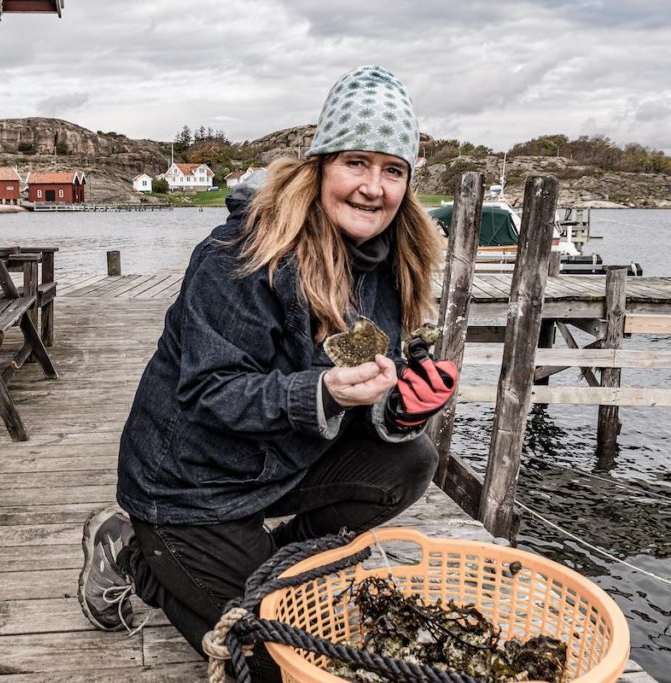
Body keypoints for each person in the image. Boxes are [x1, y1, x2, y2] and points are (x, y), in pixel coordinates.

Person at [77, 65, 458, 680]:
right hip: (189, 485)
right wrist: (325, 390)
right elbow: (210, 391)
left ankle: (265, 563)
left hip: (276, 463)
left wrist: (402, 408)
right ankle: (135, 554)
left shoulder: (393, 264)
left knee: (410, 459)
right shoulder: (239, 255)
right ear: (319, 168)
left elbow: (367, 390)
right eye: (355, 163)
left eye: (392, 169)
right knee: (272, 661)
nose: (373, 187)